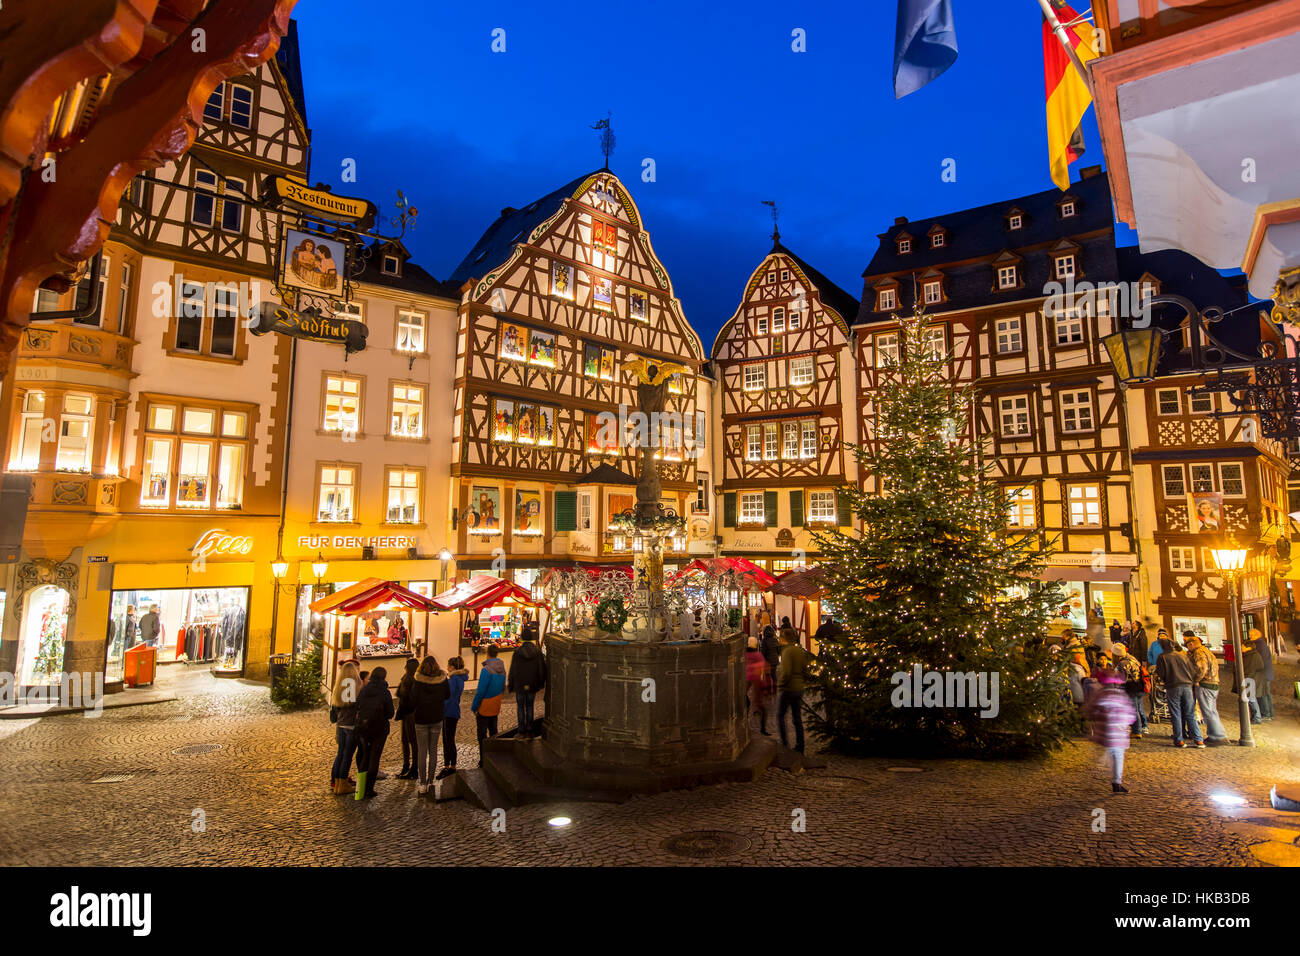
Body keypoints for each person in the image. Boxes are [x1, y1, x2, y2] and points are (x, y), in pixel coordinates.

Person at [398, 656, 449, 796]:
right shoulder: (443, 680)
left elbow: (413, 700)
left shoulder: (418, 681)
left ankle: (422, 784)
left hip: (421, 719)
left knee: (421, 751)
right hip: (437, 717)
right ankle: (431, 781)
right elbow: (447, 695)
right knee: (433, 750)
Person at [1085, 670, 1137, 793]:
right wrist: (1126, 724)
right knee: (1118, 756)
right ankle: (1116, 782)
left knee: (1110, 751)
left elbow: (1091, 710)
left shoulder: (1101, 695)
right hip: (1119, 733)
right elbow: (1131, 714)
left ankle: (1102, 764)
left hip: (1106, 733)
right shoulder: (1122, 696)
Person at [354, 666, 395, 798]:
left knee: (365, 756)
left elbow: (357, 705)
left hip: (364, 727)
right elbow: (390, 713)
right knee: (374, 758)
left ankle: (360, 789)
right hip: (379, 728)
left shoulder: (364, 689)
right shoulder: (385, 692)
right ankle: (369, 789)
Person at [1155, 636, 1203, 748]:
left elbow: (1161, 673)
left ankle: (1179, 740)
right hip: (1187, 686)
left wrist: (1165, 680)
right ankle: (1198, 739)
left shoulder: (1162, 657)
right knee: (1190, 713)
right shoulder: (1183, 656)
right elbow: (1192, 671)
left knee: (1176, 713)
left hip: (1173, 686)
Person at [1184, 633, 1228, 745]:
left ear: (1192, 644)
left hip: (1206, 684)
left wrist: (1196, 680)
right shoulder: (1207, 651)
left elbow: (1202, 668)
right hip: (1213, 682)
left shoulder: (1199, 653)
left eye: (1188, 645)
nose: (1188, 648)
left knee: (1208, 711)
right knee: (1212, 710)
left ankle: (1217, 736)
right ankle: (1216, 733)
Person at [507, 628, 547, 737]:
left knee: (520, 707)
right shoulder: (537, 652)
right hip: (532, 683)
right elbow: (541, 669)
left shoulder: (517, 652)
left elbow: (513, 670)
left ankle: (521, 729)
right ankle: (529, 728)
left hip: (520, 684)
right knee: (530, 706)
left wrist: (511, 684)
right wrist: (541, 683)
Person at [471, 645, 507, 767]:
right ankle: (494, 757)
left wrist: (474, 706)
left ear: (488, 653)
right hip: (495, 704)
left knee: (482, 734)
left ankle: (484, 759)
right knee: (493, 732)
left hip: (485, 706)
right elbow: (503, 687)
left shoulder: (486, 670)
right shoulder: (502, 668)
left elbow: (481, 690)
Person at [329, 660, 361, 794]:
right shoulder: (355, 685)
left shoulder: (340, 685)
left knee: (340, 754)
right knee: (347, 755)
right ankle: (342, 784)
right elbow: (356, 705)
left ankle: (336, 783)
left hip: (341, 724)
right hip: (351, 725)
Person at [776, 624, 809, 753]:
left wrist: (781, 684)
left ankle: (785, 743)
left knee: (780, 715)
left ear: (785, 639)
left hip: (789, 688)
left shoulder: (787, 652)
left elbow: (786, 672)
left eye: (781, 637)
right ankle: (800, 745)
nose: (779, 639)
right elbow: (805, 669)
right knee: (797, 718)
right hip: (799, 687)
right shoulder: (799, 651)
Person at [439, 656, 469, 780]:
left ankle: (448, 766)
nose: (447, 667)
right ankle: (452, 765)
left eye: (448, 665)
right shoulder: (459, 679)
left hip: (448, 711)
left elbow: (447, 696)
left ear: (452, 667)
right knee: (450, 739)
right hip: (454, 710)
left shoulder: (453, 679)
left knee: (447, 740)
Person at [1111, 643, 1147, 739]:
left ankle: (1137, 730)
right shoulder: (1132, 659)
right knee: (1138, 708)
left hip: (1130, 688)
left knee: (1133, 710)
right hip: (1139, 685)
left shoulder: (1122, 664)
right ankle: (1142, 727)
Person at [394, 657, 420, 780]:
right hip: (408, 713)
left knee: (410, 741)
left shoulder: (409, 680)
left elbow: (401, 695)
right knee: (408, 740)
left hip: (409, 714)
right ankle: (408, 766)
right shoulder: (410, 679)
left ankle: (411, 767)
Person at [744, 636, 772, 736]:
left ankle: (745, 723)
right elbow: (764, 670)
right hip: (756, 681)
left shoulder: (744, 655)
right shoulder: (758, 655)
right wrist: (767, 686)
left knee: (744, 701)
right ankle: (763, 729)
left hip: (746, 680)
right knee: (761, 706)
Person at [1247, 628, 1275, 721]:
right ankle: (1269, 714)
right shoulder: (1261, 644)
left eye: (1251, 635)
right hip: (1266, 673)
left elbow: (1260, 661)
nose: (1249, 637)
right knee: (1266, 694)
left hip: (1263, 674)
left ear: (1256, 635)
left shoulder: (1259, 645)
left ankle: (1266, 714)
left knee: (1263, 694)